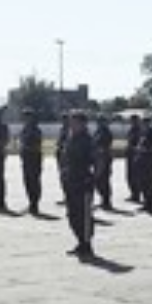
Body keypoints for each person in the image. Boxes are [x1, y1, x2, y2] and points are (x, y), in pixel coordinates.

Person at [61, 111, 96, 259]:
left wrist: (91, 179)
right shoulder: (70, 138)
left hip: (82, 181)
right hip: (70, 180)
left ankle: (87, 244)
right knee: (72, 214)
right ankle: (80, 241)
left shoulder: (87, 140)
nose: (72, 125)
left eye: (75, 122)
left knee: (84, 215)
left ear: (83, 124)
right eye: (71, 122)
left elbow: (97, 161)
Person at [18, 108, 45, 216]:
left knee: (34, 181)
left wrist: (26, 147)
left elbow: (36, 145)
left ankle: (35, 204)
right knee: (27, 181)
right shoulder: (25, 129)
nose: (25, 119)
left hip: (33, 158)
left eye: (27, 116)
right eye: (25, 116)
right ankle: (31, 203)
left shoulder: (35, 130)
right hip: (26, 158)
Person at [136, 118, 152, 214]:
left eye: (145, 123)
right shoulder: (143, 134)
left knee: (149, 183)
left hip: (149, 162)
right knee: (143, 183)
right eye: (143, 124)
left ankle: (151, 204)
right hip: (142, 162)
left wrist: (144, 150)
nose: (144, 125)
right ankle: (146, 203)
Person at [92, 115, 115, 211]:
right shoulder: (97, 132)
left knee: (104, 179)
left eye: (101, 122)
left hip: (104, 157)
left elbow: (105, 146)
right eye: (98, 121)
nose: (99, 123)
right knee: (98, 180)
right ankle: (103, 200)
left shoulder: (106, 133)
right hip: (98, 158)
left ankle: (107, 201)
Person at [124, 114, 144, 204]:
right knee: (129, 176)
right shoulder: (131, 130)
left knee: (136, 176)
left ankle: (137, 194)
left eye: (134, 121)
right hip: (130, 155)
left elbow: (139, 143)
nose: (132, 122)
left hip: (136, 155)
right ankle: (133, 193)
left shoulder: (140, 131)